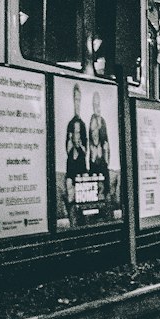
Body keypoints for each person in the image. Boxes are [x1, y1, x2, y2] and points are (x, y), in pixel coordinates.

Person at [64, 84, 88, 223]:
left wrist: (80, 145)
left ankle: (82, 220)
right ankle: (73, 219)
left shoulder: (83, 125)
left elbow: (85, 150)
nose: (77, 102)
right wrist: (72, 141)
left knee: (83, 195)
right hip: (71, 166)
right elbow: (67, 149)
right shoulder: (70, 124)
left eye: (79, 99)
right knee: (70, 193)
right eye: (75, 99)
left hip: (81, 166)